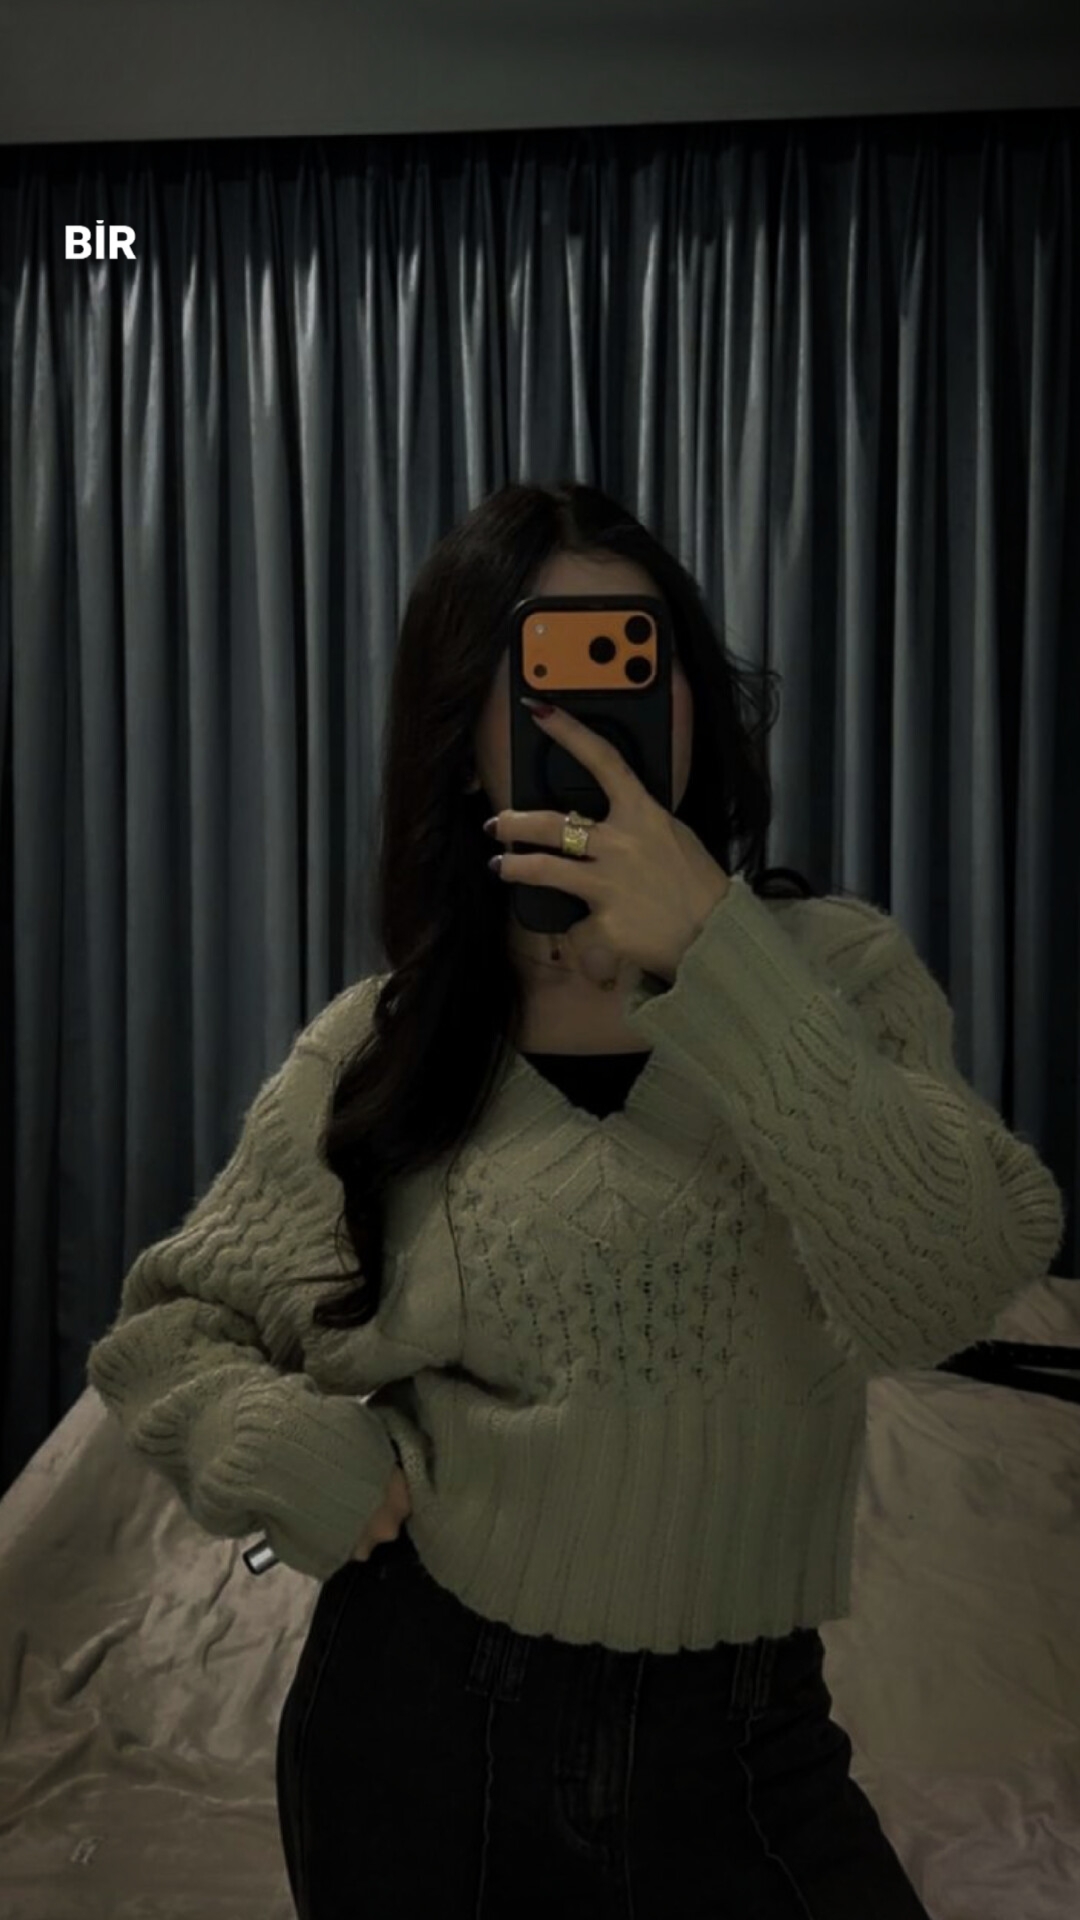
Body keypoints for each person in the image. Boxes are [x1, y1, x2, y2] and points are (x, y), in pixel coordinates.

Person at [87, 481, 1065, 1919]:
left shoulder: (833, 976)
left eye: (637, 656)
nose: (599, 708)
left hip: (752, 1741)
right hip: (425, 1742)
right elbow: (167, 1330)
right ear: (466, 736)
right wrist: (270, 1443)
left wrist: (719, 952)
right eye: (545, 669)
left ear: (691, 699)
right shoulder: (385, 1048)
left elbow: (949, 1284)